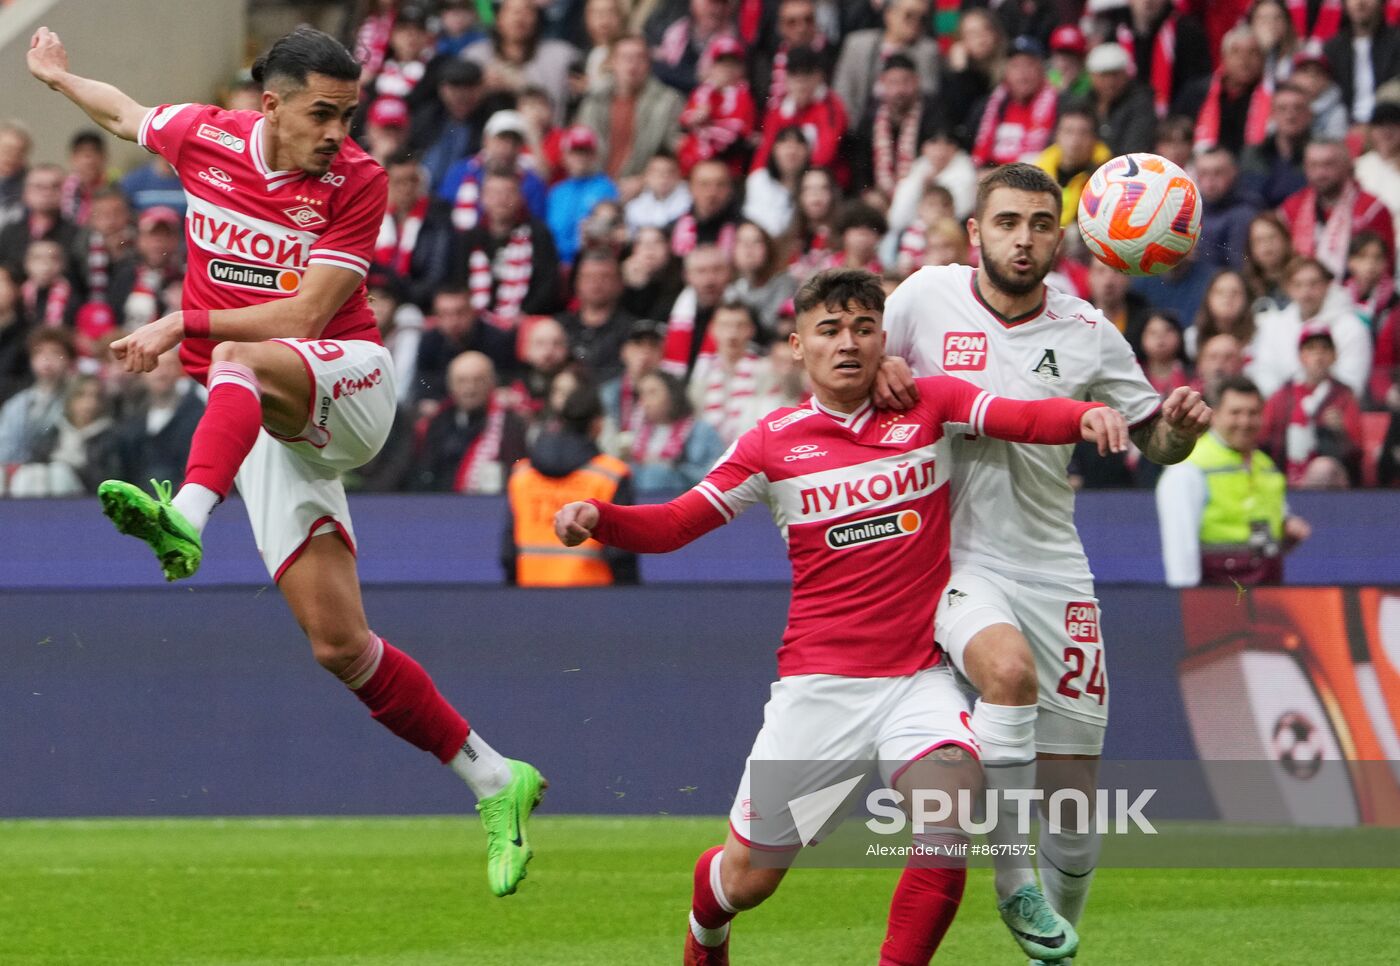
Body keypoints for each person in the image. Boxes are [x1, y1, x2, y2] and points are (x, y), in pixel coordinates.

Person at [28, 23, 545, 896]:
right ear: (270, 105)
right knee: (339, 646)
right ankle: (496, 778)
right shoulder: (205, 137)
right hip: (264, 421)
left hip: (347, 387)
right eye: (322, 114)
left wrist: (177, 324)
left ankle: (185, 518)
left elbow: (304, 317)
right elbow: (125, 115)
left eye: (348, 114)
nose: (339, 132)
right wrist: (54, 80)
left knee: (234, 360)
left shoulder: (359, 182)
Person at [555, 268, 1128, 966]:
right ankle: (707, 921)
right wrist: (599, 519)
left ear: (885, 338)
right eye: (829, 330)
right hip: (819, 692)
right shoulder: (772, 442)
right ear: (798, 346)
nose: (848, 342)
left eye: (863, 328)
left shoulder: (929, 405)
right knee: (749, 879)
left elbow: (1022, 417)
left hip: (918, 681)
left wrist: (1085, 416)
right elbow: (677, 522)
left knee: (948, 822)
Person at [877, 163, 1212, 963]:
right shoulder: (922, 298)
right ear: (975, 234)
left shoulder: (1089, 331)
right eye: (1006, 223)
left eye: (1037, 223)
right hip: (953, 558)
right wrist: (878, 367)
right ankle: (1010, 877)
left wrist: (1179, 429)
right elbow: (839, 369)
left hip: (1053, 565)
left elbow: (1152, 439)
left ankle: (1055, 942)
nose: (1022, 239)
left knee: (1072, 811)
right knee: (1007, 674)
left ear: (1061, 235)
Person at [1157, 375, 1310, 586]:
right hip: (1217, 591)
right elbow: (1180, 545)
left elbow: (1271, 524)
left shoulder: (1266, 466)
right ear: (1215, 415)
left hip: (1267, 587)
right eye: (1235, 413)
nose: (1245, 422)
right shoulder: (1189, 468)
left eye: (1253, 413)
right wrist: (1186, 598)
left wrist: (1288, 528)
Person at [504, 384, 636, 585]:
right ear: (597, 425)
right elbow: (620, 555)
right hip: (594, 601)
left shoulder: (522, 474)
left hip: (531, 598)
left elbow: (508, 553)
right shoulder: (612, 475)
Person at [1247, 256, 1372, 398]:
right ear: (1288, 288)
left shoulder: (1352, 328)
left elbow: (1352, 382)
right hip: (1282, 412)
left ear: (1327, 285)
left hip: (1332, 415)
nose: (1306, 292)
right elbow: (1264, 372)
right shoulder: (1274, 326)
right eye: (1298, 285)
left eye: (1314, 284)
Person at [1260, 324, 1364, 486]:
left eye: (1324, 349)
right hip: (1283, 480)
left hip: (1329, 486)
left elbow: (1357, 451)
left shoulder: (1344, 396)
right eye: (1311, 349)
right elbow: (1263, 439)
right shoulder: (1281, 396)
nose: (1318, 355)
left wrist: (1340, 431)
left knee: (1324, 469)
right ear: (1301, 356)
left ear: (1334, 356)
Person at [412, 350, 529, 492]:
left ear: (492, 383)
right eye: (462, 381)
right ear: (450, 385)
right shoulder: (437, 423)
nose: (470, 389)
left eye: (478, 380)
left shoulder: (509, 425)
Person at [1279, 139, 1395, 279]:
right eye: (1313, 165)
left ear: (1347, 165)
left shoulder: (1372, 210)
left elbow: (1386, 268)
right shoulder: (1291, 208)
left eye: (1328, 164)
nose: (1320, 173)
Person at [546, 126, 619, 265]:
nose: (580, 158)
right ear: (565, 156)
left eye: (586, 152)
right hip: (554, 264)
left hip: (588, 264)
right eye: (575, 152)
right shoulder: (556, 192)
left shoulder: (606, 188)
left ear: (594, 156)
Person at [1078, 42, 1157, 158]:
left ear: (1126, 74)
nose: (1110, 82)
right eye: (1104, 75)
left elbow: (1134, 150)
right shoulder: (1081, 103)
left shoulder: (1141, 104)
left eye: (1115, 75)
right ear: (1091, 75)